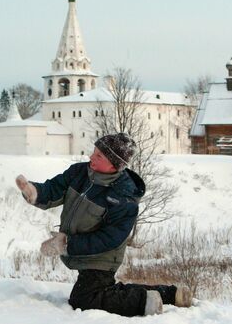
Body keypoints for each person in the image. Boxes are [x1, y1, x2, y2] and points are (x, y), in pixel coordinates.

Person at [15, 133, 192, 316]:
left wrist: (66, 244)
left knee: (84, 298)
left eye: (99, 156)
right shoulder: (79, 172)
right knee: (103, 290)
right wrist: (35, 192)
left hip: (103, 256)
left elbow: (109, 239)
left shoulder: (124, 197)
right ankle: (172, 294)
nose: (91, 157)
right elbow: (54, 189)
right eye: (94, 152)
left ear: (115, 165)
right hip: (80, 247)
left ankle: (145, 301)